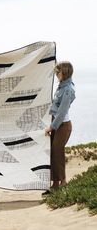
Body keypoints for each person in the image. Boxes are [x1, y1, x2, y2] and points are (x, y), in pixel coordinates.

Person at [44, 61, 76, 193]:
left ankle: (62, 183)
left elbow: (62, 112)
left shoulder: (68, 89)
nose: (56, 74)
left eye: (58, 72)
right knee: (53, 153)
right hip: (56, 123)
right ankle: (55, 183)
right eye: (56, 72)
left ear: (65, 73)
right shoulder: (62, 86)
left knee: (57, 153)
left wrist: (51, 127)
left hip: (63, 126)